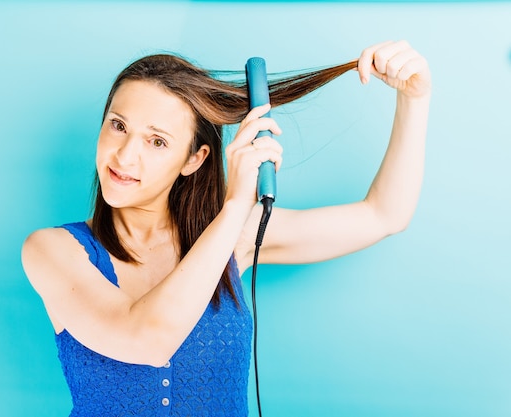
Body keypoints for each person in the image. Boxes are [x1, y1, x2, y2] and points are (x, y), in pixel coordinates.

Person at [21, 40, 431, 416]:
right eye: (118, 125)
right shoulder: (54, 250)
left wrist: (415, 98)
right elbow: (144, 339)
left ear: (194, 160)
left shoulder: (229, 237)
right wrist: (236, 204)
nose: (125, 155)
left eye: (157, 141)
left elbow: (384, 215)